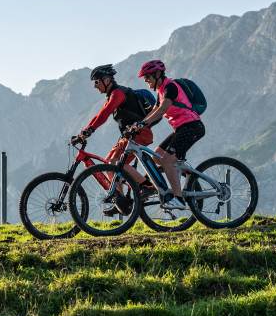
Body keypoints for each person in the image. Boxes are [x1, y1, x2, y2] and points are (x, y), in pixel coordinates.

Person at [71, 64, 153, 213]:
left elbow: (105, 114)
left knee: (114, 163)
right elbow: (99, 114)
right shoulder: (112, 95)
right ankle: (120, 202)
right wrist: (84, 132)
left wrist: (89, 130)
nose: (95, 86)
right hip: (129, 136)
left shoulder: (119, 93)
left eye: (96, 82)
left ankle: (146, 186)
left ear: (107, 80)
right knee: (109, 163)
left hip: (139, 133)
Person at [129, 59, 204, 211]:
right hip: (181, 128)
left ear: (158, 74)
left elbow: (162, 110)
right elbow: (153, 112)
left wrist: (143, 124)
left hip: (192, 126)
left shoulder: (170, 87)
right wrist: (137, 125)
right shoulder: (160, 92)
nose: (146, 81)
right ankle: (188, 173)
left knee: (168, 161)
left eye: (148, 77)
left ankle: (179, 199)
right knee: (157, 156)